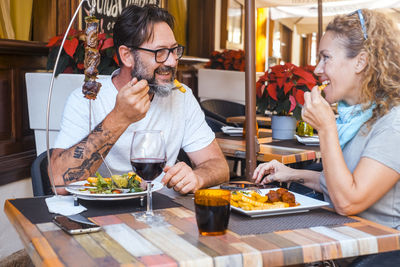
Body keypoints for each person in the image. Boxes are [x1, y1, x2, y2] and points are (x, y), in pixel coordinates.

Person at [50, 4, 229, 194]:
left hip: (162, 213)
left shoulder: (180, 96)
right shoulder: (86, 99)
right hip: (103, 215)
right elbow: (59, 182)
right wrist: (120, 117)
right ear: (127, 56)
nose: (172, 61)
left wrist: (198, 177)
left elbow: (218, 165)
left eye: (174, 50)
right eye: (160, 52)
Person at [254, 9, 400, 230]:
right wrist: (292, 174)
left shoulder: (393, 124)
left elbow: (347, 201)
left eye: (326, 57)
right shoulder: (356, 116)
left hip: (378, 253)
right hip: (341, 238)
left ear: (361, 62)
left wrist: (326, 128)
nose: (317, 69)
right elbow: (338, 181)